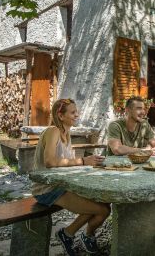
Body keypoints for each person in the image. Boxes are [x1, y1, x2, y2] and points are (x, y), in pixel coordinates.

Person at [31, 99, 111, 256]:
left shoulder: (66, 134)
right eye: (73, 112)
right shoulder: (53, 131)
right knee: (103, 210)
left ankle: (72, 234)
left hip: (62, 185)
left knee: (103, 200)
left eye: (77, 111)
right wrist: (82, 161)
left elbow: (67, 165)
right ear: (60, 116)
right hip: (48, 189)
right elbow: (50, 162)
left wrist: (90, 164)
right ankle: (73, 234)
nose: (77, 115)